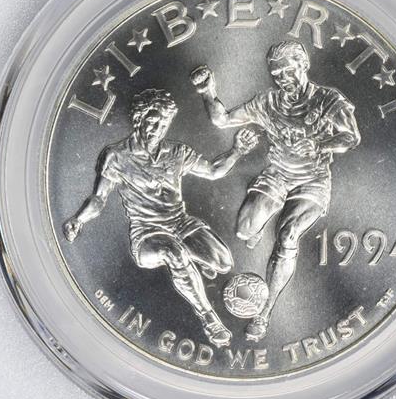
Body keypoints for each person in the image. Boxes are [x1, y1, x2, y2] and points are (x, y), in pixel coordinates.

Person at [63, 87, 258, 348]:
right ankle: (208, 317)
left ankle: (192, 264)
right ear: (139, 119)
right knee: (173, 252)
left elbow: (212, 170)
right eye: (153, 121)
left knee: (224, 262)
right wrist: (79, 219)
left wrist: (237, 151)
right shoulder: (117, 156)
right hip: (147, 233)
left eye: (163, 124)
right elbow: (99, 199)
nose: (157, 129)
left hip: (180, 223)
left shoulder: (177, 153)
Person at [191, 40, 360, 341]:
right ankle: (258, 227)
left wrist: (319, 144)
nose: (283, 78)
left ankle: (265, 314)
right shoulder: (268, 102)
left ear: (303, 65)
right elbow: (221, 120)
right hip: (277, 175)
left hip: (312, 180)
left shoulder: (328, 100)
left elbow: (351, 137)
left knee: (288, 234)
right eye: (276, 73)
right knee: (244, 229)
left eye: (288, 70)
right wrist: (207, 91)